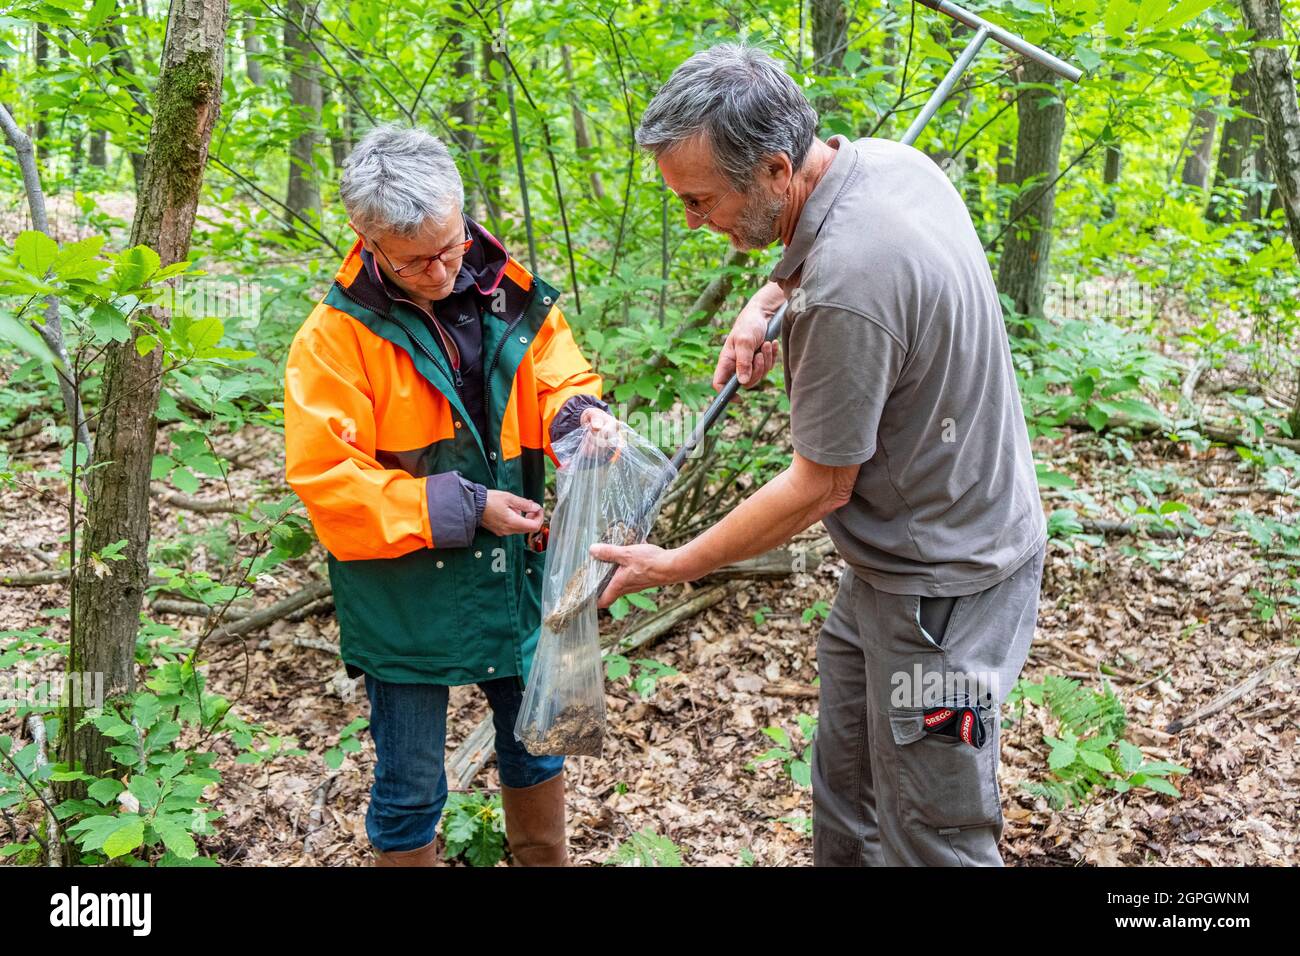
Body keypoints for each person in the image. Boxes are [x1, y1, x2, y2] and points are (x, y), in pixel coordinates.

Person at [592, 44, 1047, 866]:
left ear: (772, 169)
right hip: (886, 573)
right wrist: (770, 296)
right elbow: (826, 255)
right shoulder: (884, 165)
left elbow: (818, 487)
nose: (692, 220)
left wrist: (677, 562)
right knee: (849, 792)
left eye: (700, 200)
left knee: (933, 825)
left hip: (941, 596)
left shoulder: (846, 291)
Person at [283, 124, 616, 866]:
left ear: (463, 214)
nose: (440, 271)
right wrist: (466, 507)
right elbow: (328, 482)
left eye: (450, 246)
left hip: (515, 578)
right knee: (409, 788)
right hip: (402, 597)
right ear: (366, 239)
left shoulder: (510, 293)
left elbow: (560, 374)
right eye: (415, 261)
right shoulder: (334, 339)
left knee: (538, 747)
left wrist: (578, 419)